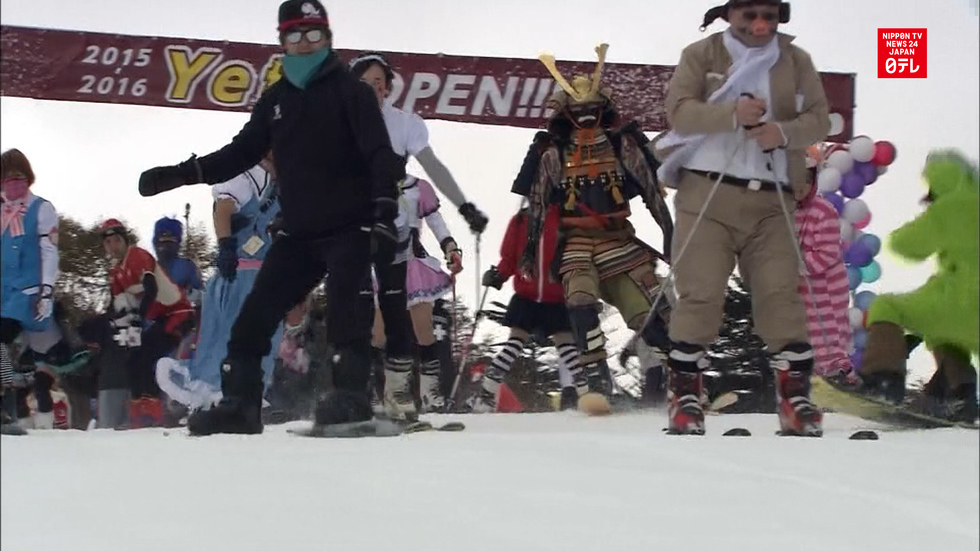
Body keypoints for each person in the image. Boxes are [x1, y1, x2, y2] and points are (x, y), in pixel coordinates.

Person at [138, 0, 405, 435]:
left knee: (347, 311)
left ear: (328, 38)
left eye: (314, 35)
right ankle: (240, 405)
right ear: (282, 41)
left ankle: (352, 397)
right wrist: (180, 174)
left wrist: (384, 210)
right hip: (299, 233)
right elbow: (240, 153)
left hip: (350, 224)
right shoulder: (276, 100)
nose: (305, 44)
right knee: (253, 318)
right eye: (295, 35)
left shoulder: (350, 92)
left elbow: (379, 153)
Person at [654, 0, 830, 435]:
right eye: (749, 14)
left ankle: (795, 399)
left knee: (780, 294)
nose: (759, 25)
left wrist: (783, 132)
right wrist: (731, 114)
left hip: (772, 199)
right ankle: (686, 396)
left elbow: (820, 120)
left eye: (769, 15)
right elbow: (680, 112)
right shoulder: (701, 54)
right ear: (729, 14)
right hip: (706, 194)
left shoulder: (796, 60)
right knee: (701, 294)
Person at [516, 43, 675, 416]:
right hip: (576, 244)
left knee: (647, 315)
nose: (586, 116)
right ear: (567, 114)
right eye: (579, 110)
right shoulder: (553, 154)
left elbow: (652, 193)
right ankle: (598, 383)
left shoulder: (623, 146)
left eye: (592, 109)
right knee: (579, 301)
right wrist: (529, 249)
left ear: (603, 109)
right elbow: (538, 202)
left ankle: (684, 382)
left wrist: (670, 234)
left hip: (619, 241)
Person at [349, 51, 484, 418]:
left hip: (409, 259)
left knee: (422, 329)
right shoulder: (345, 137)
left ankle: (430, 395)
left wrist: (451, 245)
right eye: (367, 83)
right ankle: (378, 395)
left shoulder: (415, 185)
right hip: (369, 257)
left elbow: (435, 218)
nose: (375, 88)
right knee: (377, 332)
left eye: (380, 82)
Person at [155, 154, 285, 410]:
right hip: (239, 277)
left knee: (259, 341)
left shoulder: (281, 183)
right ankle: (216, 395)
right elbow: (224, 208)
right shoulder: (246, 173)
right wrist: (226, 244)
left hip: (265, 276)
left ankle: (241, 394)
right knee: (229, 337)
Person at [858, 150, 978, 422]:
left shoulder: (953, 207)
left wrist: (933, 218)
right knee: (942, 331)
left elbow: (906, 246)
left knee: (887, 306)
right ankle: (960, 395)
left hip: (963, 299)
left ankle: (883, 382)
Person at [470, 203, 581, 412]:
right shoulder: (521, 220)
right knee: (514, 344)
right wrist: (499, 275)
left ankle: (581, 394)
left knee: (567, 347)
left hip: (556, 296)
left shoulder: (566, 218)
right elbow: (510, 257)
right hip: (527, 295)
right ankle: (486, 393)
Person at [100, 218, 195, 427]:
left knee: (146, 357)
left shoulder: (137, 256)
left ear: (124, 240)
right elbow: (115, 306)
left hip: (179, 314)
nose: (113, 246)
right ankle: (138, 414)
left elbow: (150, 289)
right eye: (108, 243)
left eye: (116, 240)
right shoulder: (117, 272)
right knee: (133, 360)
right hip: (161, 318)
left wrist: (136, 319)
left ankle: (152, 414)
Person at [1, 148, 65, 430]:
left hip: (26, 294)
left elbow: (49, 251)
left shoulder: (41, 208)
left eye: (18, 175)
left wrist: (47, 289)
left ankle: (4, 409)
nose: (13, 181)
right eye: (7, 176)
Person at [795, 172, 853, 377]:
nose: (800, 188)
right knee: (803, 330)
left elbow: (828, 252)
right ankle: (809, 374)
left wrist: (797, 264)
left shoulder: (823, 211)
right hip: (799, 283)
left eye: (806, 182)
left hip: (826, 285)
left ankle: (838, 370)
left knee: (829, 328)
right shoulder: (782, 209)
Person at [152, 216, 203, 305]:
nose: (166, 245)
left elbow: (197, 295)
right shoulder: (149, 267)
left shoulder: (186, 266)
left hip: (182, 313)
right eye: (162, 239)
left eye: (171, 239)